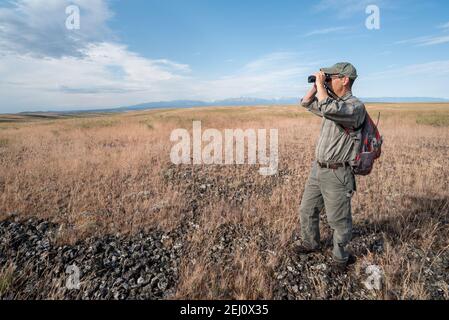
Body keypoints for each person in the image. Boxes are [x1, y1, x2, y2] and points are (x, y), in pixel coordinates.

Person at [297, 62, 367, 272]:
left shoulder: (354, 107)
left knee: (339, 221)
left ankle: (340, 259)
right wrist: (317, 85)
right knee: (307, 209)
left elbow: (326, 107)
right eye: (326, 77)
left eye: (331, 77)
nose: (327, 80)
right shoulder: (333, 104)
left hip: (338, 173)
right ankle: (311, 243)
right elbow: (307, 103)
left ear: (345, 80)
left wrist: (321, 84)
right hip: (318, 169)